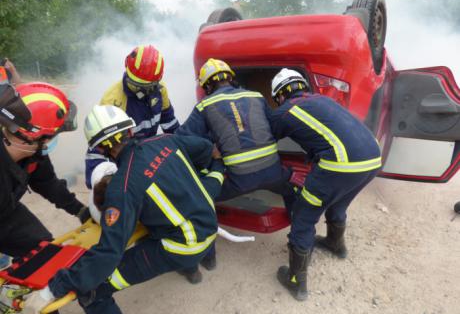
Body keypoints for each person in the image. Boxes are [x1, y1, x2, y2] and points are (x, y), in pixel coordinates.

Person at [24, 105, 224, 314]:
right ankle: (200, 265)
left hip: (183, 246)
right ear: (130, 130)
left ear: (100, 149)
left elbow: (109, 252)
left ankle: (188, 263)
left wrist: (53, 289)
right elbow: (206, 150)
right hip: (209, 226)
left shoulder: (123, 188)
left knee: (93, 289)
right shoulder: (166, 141)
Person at [269, 68, 382, 301]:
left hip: (340, 164)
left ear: (279, 95)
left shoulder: (284, 111)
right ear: (303, 87)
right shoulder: (321, 99)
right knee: (338, 201)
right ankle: (335, 244)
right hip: (372, 158)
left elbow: (263, 139)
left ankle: (295, 282)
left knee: (304, 214)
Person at [178, 58, 296, 273]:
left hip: (237, 180)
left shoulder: (204, 105)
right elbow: (272, 126)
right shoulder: (257, 96)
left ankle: (208, 258)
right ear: (231, 78)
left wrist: (209, 149)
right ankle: (298, 236)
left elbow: (182, 140)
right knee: (292, 186)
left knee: (202, 198)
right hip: (274, 173)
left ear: (207, 86)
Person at [0, 82, 89, 259]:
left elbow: (48, 183)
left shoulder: (33, 152)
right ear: (30, 136)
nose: (52, 141)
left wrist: (79, 210)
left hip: (6, 213)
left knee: (45, 256)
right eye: (52, 135)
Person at [85, 44, 180, 188]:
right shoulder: (112, 102)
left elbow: (170, 125)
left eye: (146, 87)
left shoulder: (160, 91)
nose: (140, 91)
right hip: (125, 162)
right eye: (135, 84)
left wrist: (183, 150)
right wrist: (101, 183)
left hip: (147, 154)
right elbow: (99, 151)